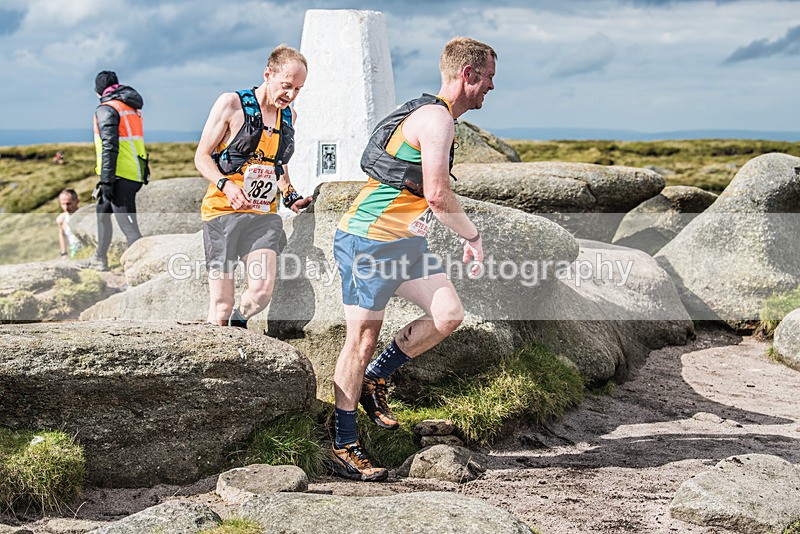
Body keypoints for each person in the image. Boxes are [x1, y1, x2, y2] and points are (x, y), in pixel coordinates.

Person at [329, 37, 497, 481]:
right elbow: (438, 194)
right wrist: (472, 235)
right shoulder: (436, 118)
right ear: (468, 75)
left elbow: (430, 194)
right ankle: (344, 443)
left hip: (405, 242)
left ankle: (375, 379)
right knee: (360, 341)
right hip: (367, 239)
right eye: (489, 79)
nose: (491, 88)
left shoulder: (437, 117)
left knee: (448, 314)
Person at [195, 45, 313, 328]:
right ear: (267, 74)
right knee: (220, 305)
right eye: (287, 86)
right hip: (222, 212)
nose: (291, 95)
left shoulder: (289, 117)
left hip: (263, 215)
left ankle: (239, 322)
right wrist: (227, 186)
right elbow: (201, 157)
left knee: (260, 294)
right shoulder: (232, 104)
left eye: (298, 89)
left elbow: (277, 162)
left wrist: (289, 193)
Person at [88, 70, 148, 272]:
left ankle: (140, 271)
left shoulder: (106, 109)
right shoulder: (129, 107)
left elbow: (109, 146)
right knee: (102, 212)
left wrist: (106, 180)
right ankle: (99, 258)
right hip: (132, 170)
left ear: (98, 91)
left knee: (130, 228)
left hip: (119, 175)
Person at [56, 189, 82, 258]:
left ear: (77, 201)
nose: (66, 207)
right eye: (63, 204)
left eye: (68, 203)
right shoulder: (61, 219)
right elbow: (62, 235)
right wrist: (64, 253)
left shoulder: (85, 216)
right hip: (75, 253)